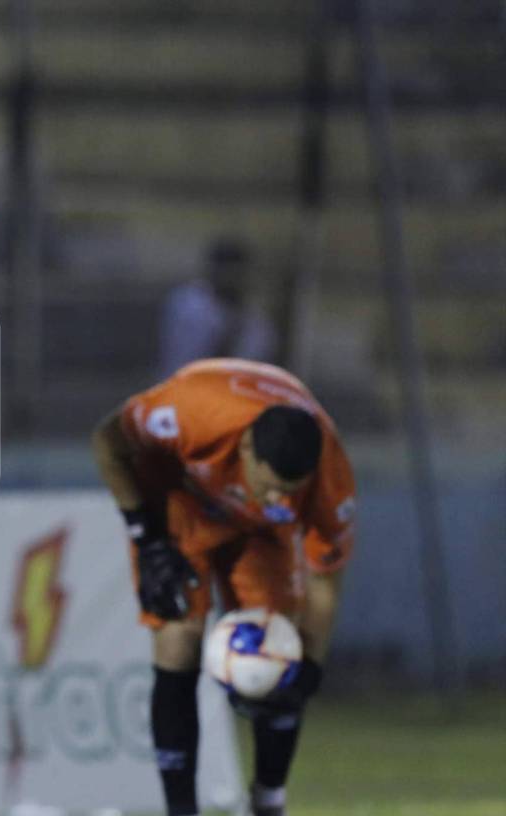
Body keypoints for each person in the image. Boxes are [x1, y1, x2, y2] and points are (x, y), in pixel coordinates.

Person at [90, 358, 355, 816]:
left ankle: (269, 801)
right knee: (178, 640)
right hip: (179, 502)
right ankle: (180, 809)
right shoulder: (192, 412)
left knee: (280, 653)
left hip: (261, 535)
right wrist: (145, 536)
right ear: (247, 447)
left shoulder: (329, 478)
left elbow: (325, 578)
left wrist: (310, 666)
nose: (280, 499)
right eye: (272, 487)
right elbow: (107, 443)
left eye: (291, 490)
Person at [158, 237, 277, 378]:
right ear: (211, 270)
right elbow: (194, 363)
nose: (231, 281)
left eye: (238, 275)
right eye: (226, 273)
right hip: (182, 388)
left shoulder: (257, 323)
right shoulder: (188, 303)